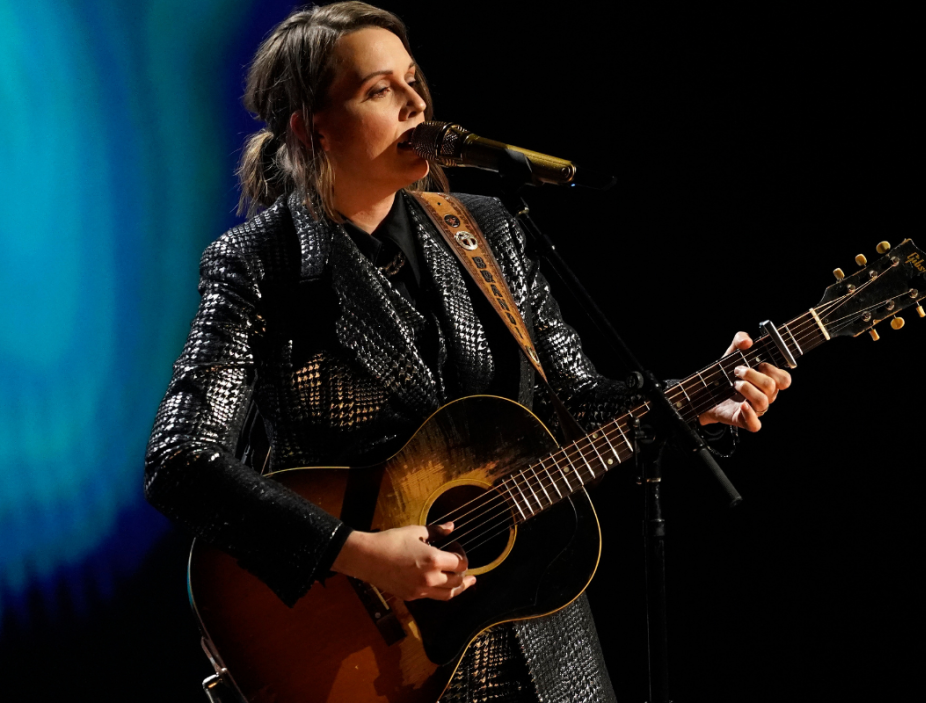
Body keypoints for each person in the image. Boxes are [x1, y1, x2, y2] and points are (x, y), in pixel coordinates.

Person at [144, 3, 792, 701]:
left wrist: (695, 400)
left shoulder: (483, 228)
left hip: (543, 641)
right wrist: (356, 552)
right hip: (382, 663)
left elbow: (571, 399)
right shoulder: (260, 262)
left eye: (413, 79)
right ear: (311, 128)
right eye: (379, 89)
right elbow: (179, 458)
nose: (416, 103)